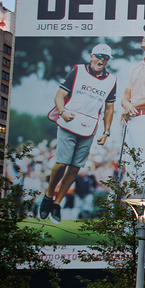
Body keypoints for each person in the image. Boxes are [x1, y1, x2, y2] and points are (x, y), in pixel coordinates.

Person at [38, 44, 117, 224]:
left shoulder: (111, 80)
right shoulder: (77, 71)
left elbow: (109, 108)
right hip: (68, 122)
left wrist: (106, 132)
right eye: (99, 56)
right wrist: (62, 112)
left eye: (105, 57)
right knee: (61, 163)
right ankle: (48, 196)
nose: (101, 60)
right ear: (91, 56)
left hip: (89, 127)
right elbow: (59, 96)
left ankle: (57, 203)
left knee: (75, 168)